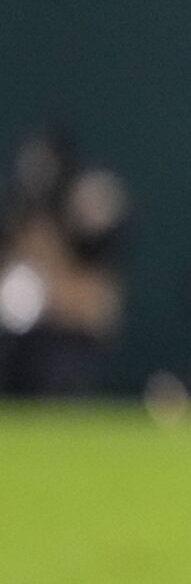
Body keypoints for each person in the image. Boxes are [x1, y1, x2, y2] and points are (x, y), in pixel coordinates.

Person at [0, 127, 127, 395]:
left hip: (72, 330)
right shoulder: (20, 209)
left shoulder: (83, 197)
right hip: (24, 333)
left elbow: (100, 237)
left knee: (58, 395)